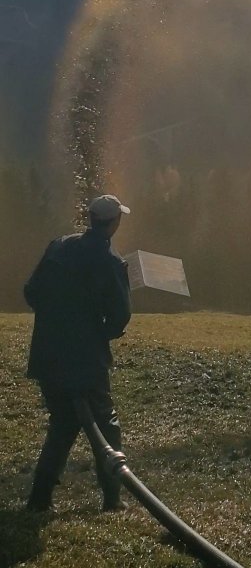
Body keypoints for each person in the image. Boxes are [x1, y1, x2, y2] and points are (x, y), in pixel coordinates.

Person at [24, 194, 132, 513]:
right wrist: (99, 331)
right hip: (86, 362)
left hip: (47, 355)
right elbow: (120, 317)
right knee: (105, 426)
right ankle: (113, 499)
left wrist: (55, 319)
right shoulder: (111, 262)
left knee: (63, 423)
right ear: (114, 223)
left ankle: (39, 498)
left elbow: (31, 292)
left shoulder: (58, 246)